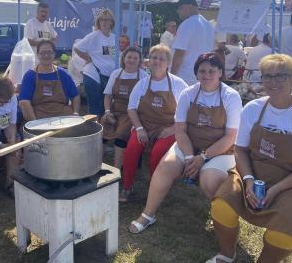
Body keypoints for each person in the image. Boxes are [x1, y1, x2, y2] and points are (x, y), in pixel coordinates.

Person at [209, 54, 292, 263]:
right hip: (255, 173)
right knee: (222, 204)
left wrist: (276, 189)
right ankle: (226, 254)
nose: (273, 82)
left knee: (285, 232)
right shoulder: (253, 108)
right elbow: (240, 150)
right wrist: (248, 180)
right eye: (267, 76)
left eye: (281, 76)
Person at [129, 52, 242, 233]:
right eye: (202, 71)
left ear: (220, 72)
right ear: (196, 74)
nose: (206, 75)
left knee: (209, 179)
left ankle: (221, 215)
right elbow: (180, 130)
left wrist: (203, 157)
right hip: (188, 144)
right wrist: (190, 156)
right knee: (165, 166)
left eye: (211, 71)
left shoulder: (231, 96)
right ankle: (148, 214)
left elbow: (230, 137)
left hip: (221, 149)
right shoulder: (188, 93)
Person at [121, 45, 188, 202]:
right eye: (154, 58)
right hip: (144, 126)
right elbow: (131, 109)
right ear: (148, 61)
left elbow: (188, 112)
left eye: (161, 58)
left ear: (168, 63)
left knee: (157, 153)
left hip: (167, 129)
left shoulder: (178, 84)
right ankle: (127, 186)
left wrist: (173, 129)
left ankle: (156, 187)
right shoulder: (142, 84)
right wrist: (139, 128)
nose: (157, 61)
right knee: (131, 149)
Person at [101, 46, 148, 168]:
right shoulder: (116, 73)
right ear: (124, 58)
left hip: (131, 113)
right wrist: (107, 112)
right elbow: (108, 96)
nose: (131, 60)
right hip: (114, 110)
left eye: (135, 58)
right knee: (101, 134)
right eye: (129, 57)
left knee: (121, 137)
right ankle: (95, 166)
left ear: (139, 61)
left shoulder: (143, 76)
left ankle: (116, 171)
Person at [19, 40, 80, 120]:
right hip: (39, 116)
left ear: (54, 54)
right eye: (42, 53)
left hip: (63, 115)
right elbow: (24, 102)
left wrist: (75, 113)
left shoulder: (63, 74)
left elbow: (75, 96)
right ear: (37, 55)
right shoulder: (30, 76)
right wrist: (35, 123)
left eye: (49, 52)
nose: (46, 55)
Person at [74, 9, 116, 116]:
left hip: (108, 77)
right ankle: (94, 130)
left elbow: (114, 56)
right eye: (101, 19)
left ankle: (102, 130)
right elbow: (77, 48)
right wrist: (88, 58)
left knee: (104, 108)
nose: (104, 22)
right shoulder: (95, 35)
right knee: (95, 109)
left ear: (111, 22)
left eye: (107, 19)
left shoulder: (114, 37)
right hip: (94, 76)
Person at [171, 0, 214, 85]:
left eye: (180, 8)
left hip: (186, 78)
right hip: (203, 76)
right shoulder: (209, 25)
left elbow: (179, 53)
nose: (178, 12)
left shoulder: (188, 24)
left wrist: (171, 76)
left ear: (189, 6)